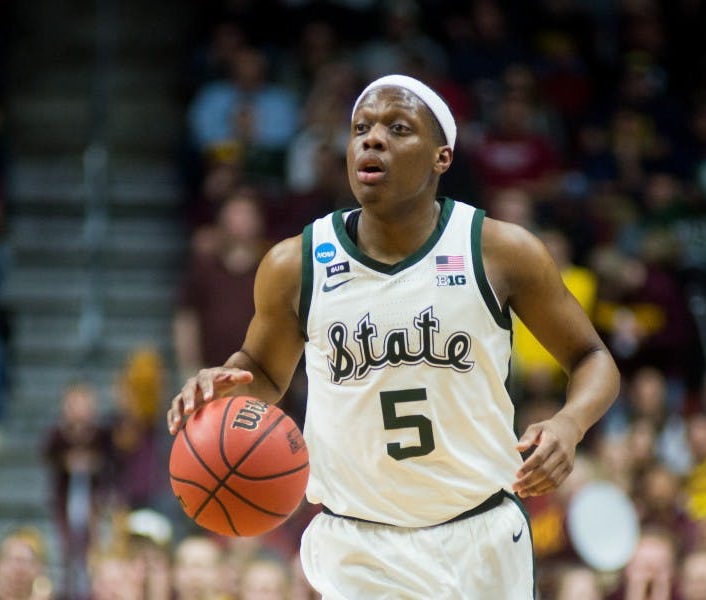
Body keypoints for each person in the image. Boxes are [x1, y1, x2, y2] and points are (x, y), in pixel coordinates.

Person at [167, 74, 620, 598]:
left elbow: (592, 357)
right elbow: (263, 371)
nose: (372, 138)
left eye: (397, 128)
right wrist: (225, 388)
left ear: (441, 157)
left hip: (481, 538)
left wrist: (570, 422)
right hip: (358, 547)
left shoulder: (500, 251)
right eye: (361, 127)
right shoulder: (296, 263)